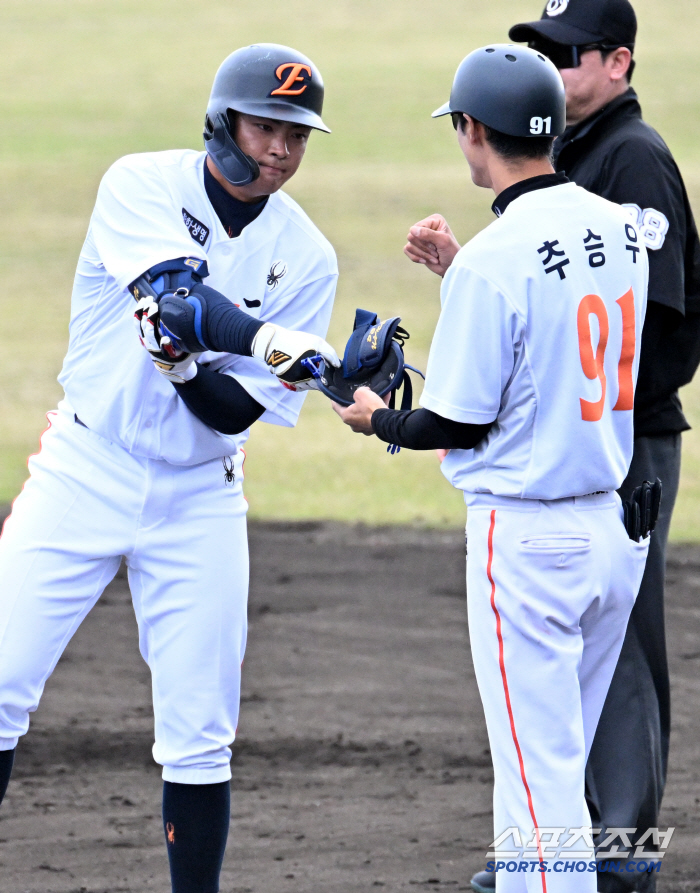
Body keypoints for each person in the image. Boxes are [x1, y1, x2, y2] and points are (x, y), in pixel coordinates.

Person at [0, 43, 339, 893]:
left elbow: (236, 410)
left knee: (200, 730)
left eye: (298, 135)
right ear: (223, 121)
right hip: (85, 466)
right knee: (1, 681)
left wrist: (189, 369)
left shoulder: (309, 257)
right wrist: (263, 340)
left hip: (200, 497)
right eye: (267, 127)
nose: (281, 150)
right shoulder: (141, 184)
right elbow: (179, 297)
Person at [334, 43, 651, 893]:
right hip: (612, 534)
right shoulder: (619, 225)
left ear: (473, 131)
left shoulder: (494, 262)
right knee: (556, 774)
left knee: (538, 791)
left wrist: (375, 419)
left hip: (531, 548)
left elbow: (457, 419)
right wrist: (459, 272)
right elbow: (549, 330)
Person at [405, 3, 700, 889]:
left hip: (621, 446)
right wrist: (470, 273)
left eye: (567, 54)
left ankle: (615, 862)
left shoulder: (632, 158)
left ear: (618, 61)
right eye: (544, 54)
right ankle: (553, 854)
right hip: (588, 437)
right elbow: (551, 313)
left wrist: (588, 417)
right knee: (581, 678)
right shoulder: (570, 164)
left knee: (623, 677)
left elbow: (671, 326)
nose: (555, 69)